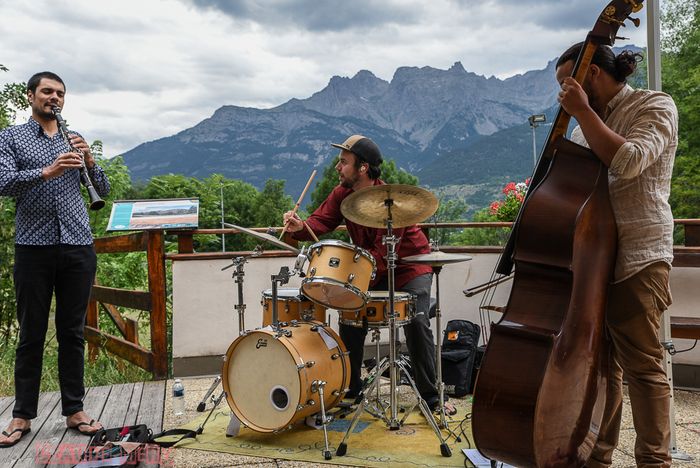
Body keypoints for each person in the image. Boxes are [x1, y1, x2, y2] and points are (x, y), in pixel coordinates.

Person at [555, 44, 677, 467]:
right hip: (592, 260)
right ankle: (597, 457)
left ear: (590, 76)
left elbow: (629, 160)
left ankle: (653, 461)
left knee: (643, 366)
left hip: (640, 252)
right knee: (604, 368)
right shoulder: (580, 129)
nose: (563, 95)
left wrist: (584, 113)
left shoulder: (654, 105)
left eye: (566, 83)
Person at [283, 134, 454, 415]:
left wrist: (357, 277)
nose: (338, 167)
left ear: (363, 168)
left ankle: (432, 397)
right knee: (350, 317)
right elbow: (319, 221)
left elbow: (386, 254)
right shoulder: (342, 193)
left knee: (417, 322)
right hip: (370, 265)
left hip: (409, 266)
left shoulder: (390, 201)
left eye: (344, 162)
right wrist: (297, 226)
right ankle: (351, 390)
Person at [0, 71, 111, 447]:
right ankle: (21, 416)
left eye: (60, 93)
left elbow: (103, 191)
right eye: (48, 92)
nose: (55, 98)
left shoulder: (73, 137)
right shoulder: (11, 138)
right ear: (31, 96)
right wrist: (47, 171)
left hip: (78, 244)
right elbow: (3, 183)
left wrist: (90, 162)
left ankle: (75, 410)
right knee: (31, 334)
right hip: (33, 247)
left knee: (73, 332)